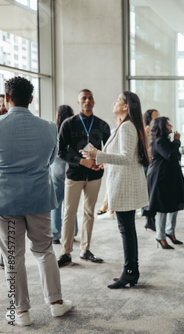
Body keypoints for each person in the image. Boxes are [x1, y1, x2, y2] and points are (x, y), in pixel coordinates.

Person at [0, 77, 73, 326]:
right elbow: (51, 161)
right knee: (44, 250)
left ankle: (22, 312)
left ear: (6, 97)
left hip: (6, 200)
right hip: (39, 198)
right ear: (31, 99)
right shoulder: (49, 127)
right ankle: (55, 303)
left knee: (13, 255)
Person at [81, 91, 150, 288]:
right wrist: (102, 161)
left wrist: (98, 154)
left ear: (126, 106)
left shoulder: (127, 127)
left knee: (126, 230)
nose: (114, 102)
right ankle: (131, 271)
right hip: (121, 182)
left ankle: (130, 272)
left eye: (118, 100)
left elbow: (127, 157)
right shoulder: (124, 126)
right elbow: (123, 157)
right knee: (127, 229)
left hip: (124, 185)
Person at [57, 89, 110, 267]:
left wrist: (102, 162)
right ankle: (66, 252)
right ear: (78, 102)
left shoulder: (102, 125)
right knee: (69, 212)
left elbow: (109, 151)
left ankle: (85, 250)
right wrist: (81, 162)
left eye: (90, 98)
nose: (87, 101)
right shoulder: (68, 124)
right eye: (84, 98)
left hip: (95, 175)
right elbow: (61, 152)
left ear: (93, 101)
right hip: (74, 174)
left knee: (89, 212)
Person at [147, 116, 184, 249]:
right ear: (162, 127)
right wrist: (176, 142)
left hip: (170, 176)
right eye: (168, 125)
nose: (171, 127)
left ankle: (170, 232)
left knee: (173, 204)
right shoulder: (159, 141)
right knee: (162, 207)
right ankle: (160, 236)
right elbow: (170, 156)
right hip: (160, 178)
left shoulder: (165, 140)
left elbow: (176, 156)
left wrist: (175, 143)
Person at [50, 105, 79, 244]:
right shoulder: (75, 129)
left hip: (56, 168)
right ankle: (71, 233)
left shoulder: (54, 130)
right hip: (71, 167)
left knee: (56, 203)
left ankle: (55, 235)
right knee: (70, 203)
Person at [142, 108, 160, 231]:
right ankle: (149, 219)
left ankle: (150, 218)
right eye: (155, 117)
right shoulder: (147, 130)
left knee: (151, 191)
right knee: (149, 191)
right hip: (148, 163)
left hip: (152, 163)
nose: (158, 118)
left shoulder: (153, 130)